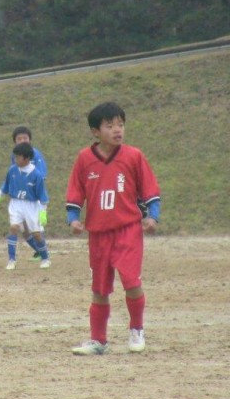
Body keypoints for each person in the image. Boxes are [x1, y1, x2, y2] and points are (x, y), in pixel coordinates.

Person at [65, 102, 161, 355]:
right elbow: (76, 190)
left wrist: (153, 215)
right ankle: (98, 340)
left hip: (127, 230)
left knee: (131, 282)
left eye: (120, 124)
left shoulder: (133, 156)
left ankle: (136, 330)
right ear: (95, 132)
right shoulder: (84, 159)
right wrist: (73, 218)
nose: (117, 130)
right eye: (110, 126)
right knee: (99, 289)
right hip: (98, 234)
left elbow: (149, 188)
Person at [0, 142, 51, 269]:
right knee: (13, 228)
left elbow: (42, 196)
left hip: (31, 205)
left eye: (18, 157)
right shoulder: (12, 170)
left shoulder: (36, 175)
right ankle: (11, 260)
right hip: (16, 203)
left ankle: (45, 258)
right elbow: (5, 186)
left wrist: (43, 212)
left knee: (36, 234)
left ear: (27, 158)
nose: (15, 159)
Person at [8, 126, 47, 260]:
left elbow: (42, 176)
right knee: (23, 229)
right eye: (19, 139)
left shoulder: (35, 154)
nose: (22, 141)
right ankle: (39, 251)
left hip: (34, 197)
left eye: (25, 138)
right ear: (15, 141)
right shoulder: (15, 155)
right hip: (21, 198)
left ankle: (44, 254)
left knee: (36, 228)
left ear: (30, 139)